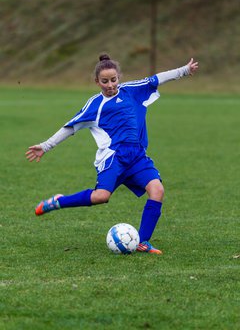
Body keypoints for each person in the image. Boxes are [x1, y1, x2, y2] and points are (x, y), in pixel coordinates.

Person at [26, 54, 198, 254]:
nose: (110, 85)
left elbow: (158, 78)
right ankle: (58, 201)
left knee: (157, 191)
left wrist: (184, 70)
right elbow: (70, 127)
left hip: (137, 157)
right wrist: (45, 146)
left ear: (119, 77)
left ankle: (143, 241)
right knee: (101, 197)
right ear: (97, 82)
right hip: (113, 158)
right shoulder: (94, 105)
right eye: (105, 81)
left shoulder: (132, 90)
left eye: (114, 80)